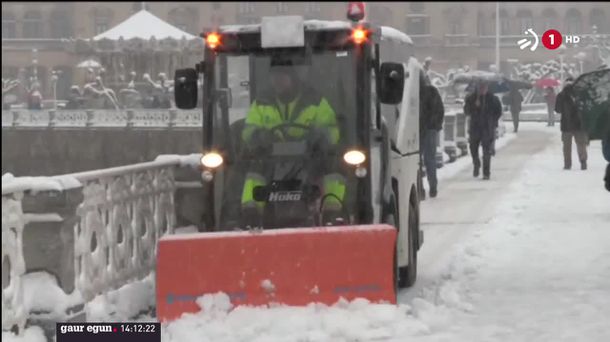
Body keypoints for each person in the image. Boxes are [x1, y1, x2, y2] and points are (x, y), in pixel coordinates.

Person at [240, 62, 343, 224]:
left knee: (333, 164)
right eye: (274, 76)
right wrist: (260, 136)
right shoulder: (261, 103)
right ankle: (250, 213)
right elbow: (248, 131)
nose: (277, 81)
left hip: (309, 159)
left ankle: (332, 212)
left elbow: (332, 130)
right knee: (251, 166)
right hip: (270, 159)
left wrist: (319, 137)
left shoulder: (315, 102)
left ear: (293, 77)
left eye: (282, 76)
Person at [464, 81, 503, 180]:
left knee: (487, 152)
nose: (482, 89)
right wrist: (474, 106)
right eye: (480, 87)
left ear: (487, 87)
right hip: (475, 128)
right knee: (473, 148)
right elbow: (466, 111)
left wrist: (492, 121)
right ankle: (476, 164)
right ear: (477, 87)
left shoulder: (493, 99)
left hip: (487, 128)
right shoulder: (471, 98)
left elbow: (498, 111)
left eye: (484, 87)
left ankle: (486, 173)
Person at [555, 77, 588, 170]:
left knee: (566, 146)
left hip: (566, 125)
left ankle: (567, 164)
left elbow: (558, 110)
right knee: (581, 144)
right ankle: (583, 162)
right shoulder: (582, 94)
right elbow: (586, 108)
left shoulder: (561, 95)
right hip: (579, 124)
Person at [419, 81, 445, 198]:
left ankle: (421, 189)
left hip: (420, 129)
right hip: (429, 129)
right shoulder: (432, 91)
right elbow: (440, 110)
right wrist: (436, 125)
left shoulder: (411, 91)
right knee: (430, 159)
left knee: (416, 161)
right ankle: (432, 187)